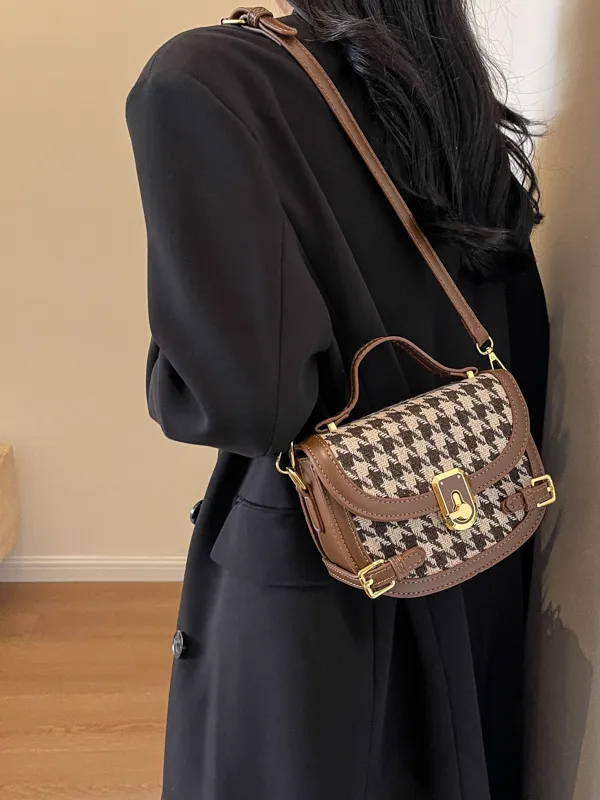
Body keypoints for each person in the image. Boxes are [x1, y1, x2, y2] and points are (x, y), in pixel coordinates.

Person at [126, 2, 549, 798]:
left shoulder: (204, 78)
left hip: (324, 591)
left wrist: (167, 367)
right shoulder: (445, 93)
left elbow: (248, 403)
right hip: (472, 545)